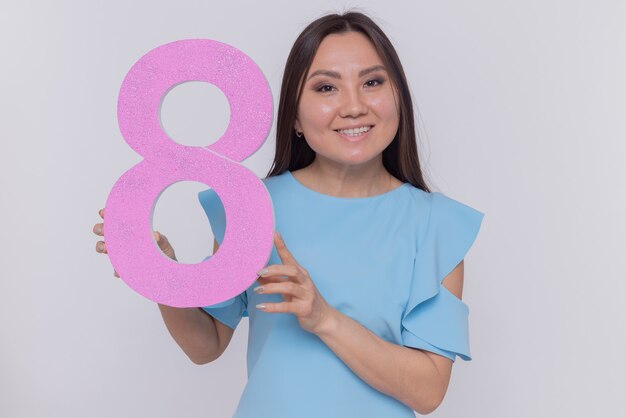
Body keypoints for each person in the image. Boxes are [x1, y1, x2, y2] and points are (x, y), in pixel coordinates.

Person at [93, 11, 484, 417]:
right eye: (326, 87)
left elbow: (429, 391)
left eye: (372, 82)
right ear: (295, 116)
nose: (353, 106)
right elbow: (206, 345)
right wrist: (163, 272)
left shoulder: (437, 226)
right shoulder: (249, 205)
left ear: (397, 96)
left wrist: (324, 319)